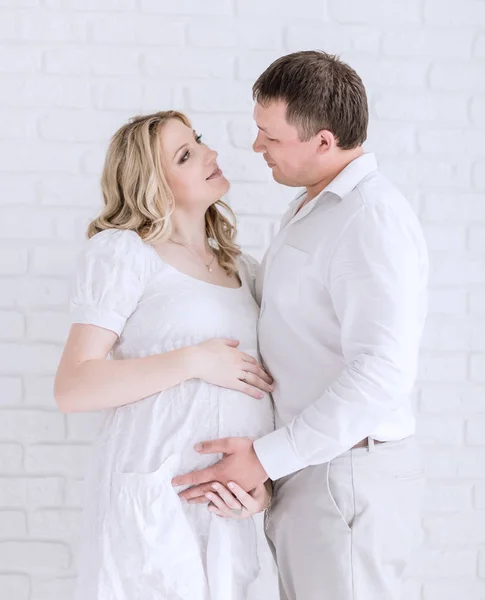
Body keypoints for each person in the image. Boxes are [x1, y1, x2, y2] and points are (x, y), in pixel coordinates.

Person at [174, 51, 429, 600]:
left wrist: (264, 458)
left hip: (345, 474)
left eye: (270, 135)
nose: (255, 146)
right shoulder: (314, 207)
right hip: (314, 467)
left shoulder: (369, 219)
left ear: (323, 141)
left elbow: (382, 373)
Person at [54, 110, 277, 600]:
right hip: (153, 501)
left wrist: (261, 491)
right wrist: (195, 360)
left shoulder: (245, 270)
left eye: (198, 141)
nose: (210, 154)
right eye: (185, 154)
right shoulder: (125, 254)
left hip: (225, 513)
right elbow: (73, 387)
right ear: (154, 184)